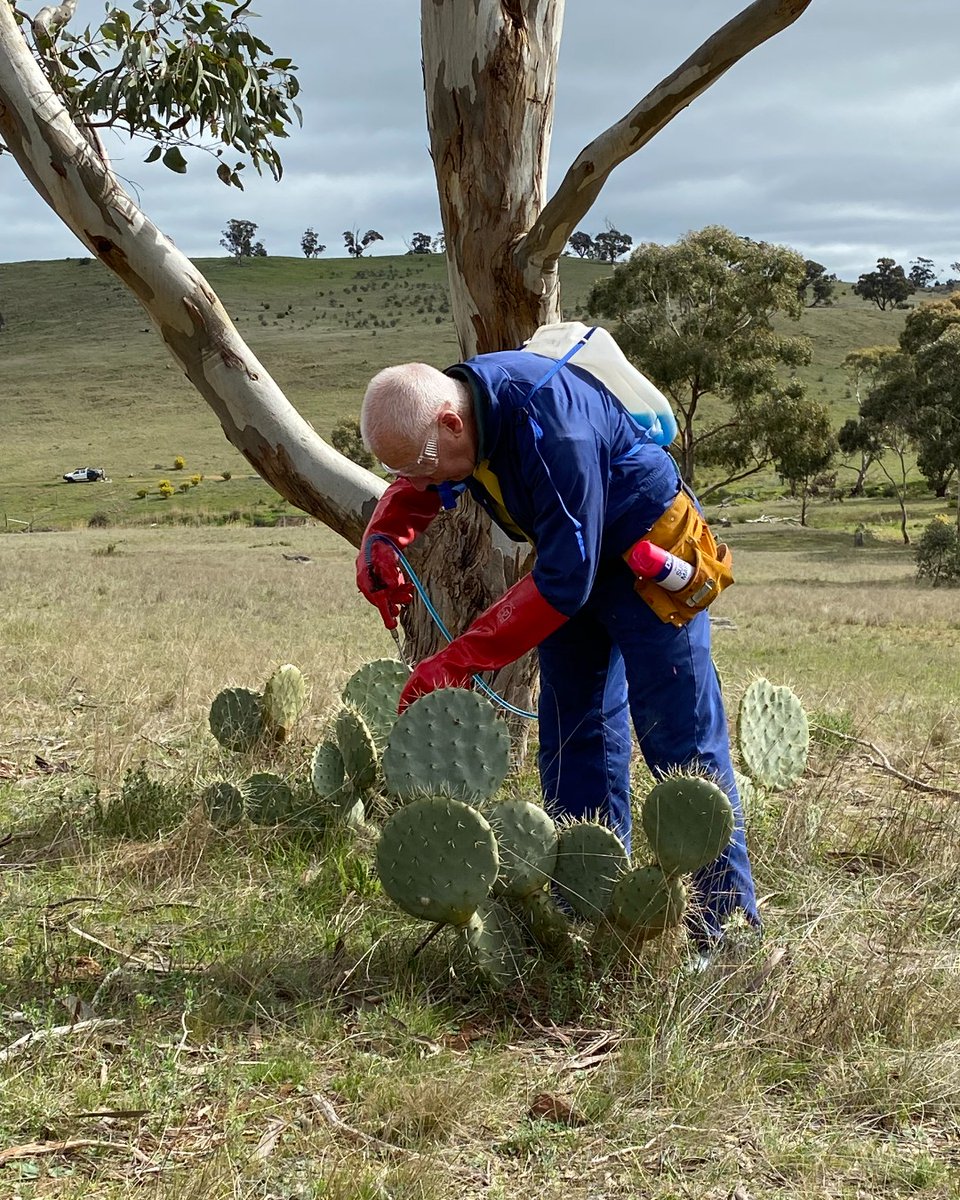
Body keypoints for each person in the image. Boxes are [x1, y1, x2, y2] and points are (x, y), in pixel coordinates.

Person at [354, 350, 758, 953]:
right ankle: (584, 905)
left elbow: (564, 582)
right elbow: (424, 487)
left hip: (646, 554)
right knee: (572, 732)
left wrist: (461, 658)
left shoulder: (552, 427)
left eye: (423, 467)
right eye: (408, 472)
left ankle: (725, 930)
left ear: (451, 423)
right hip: (571, 561)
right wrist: (381, 539)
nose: (421, 483)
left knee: (680, 738)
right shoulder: (455, 419)